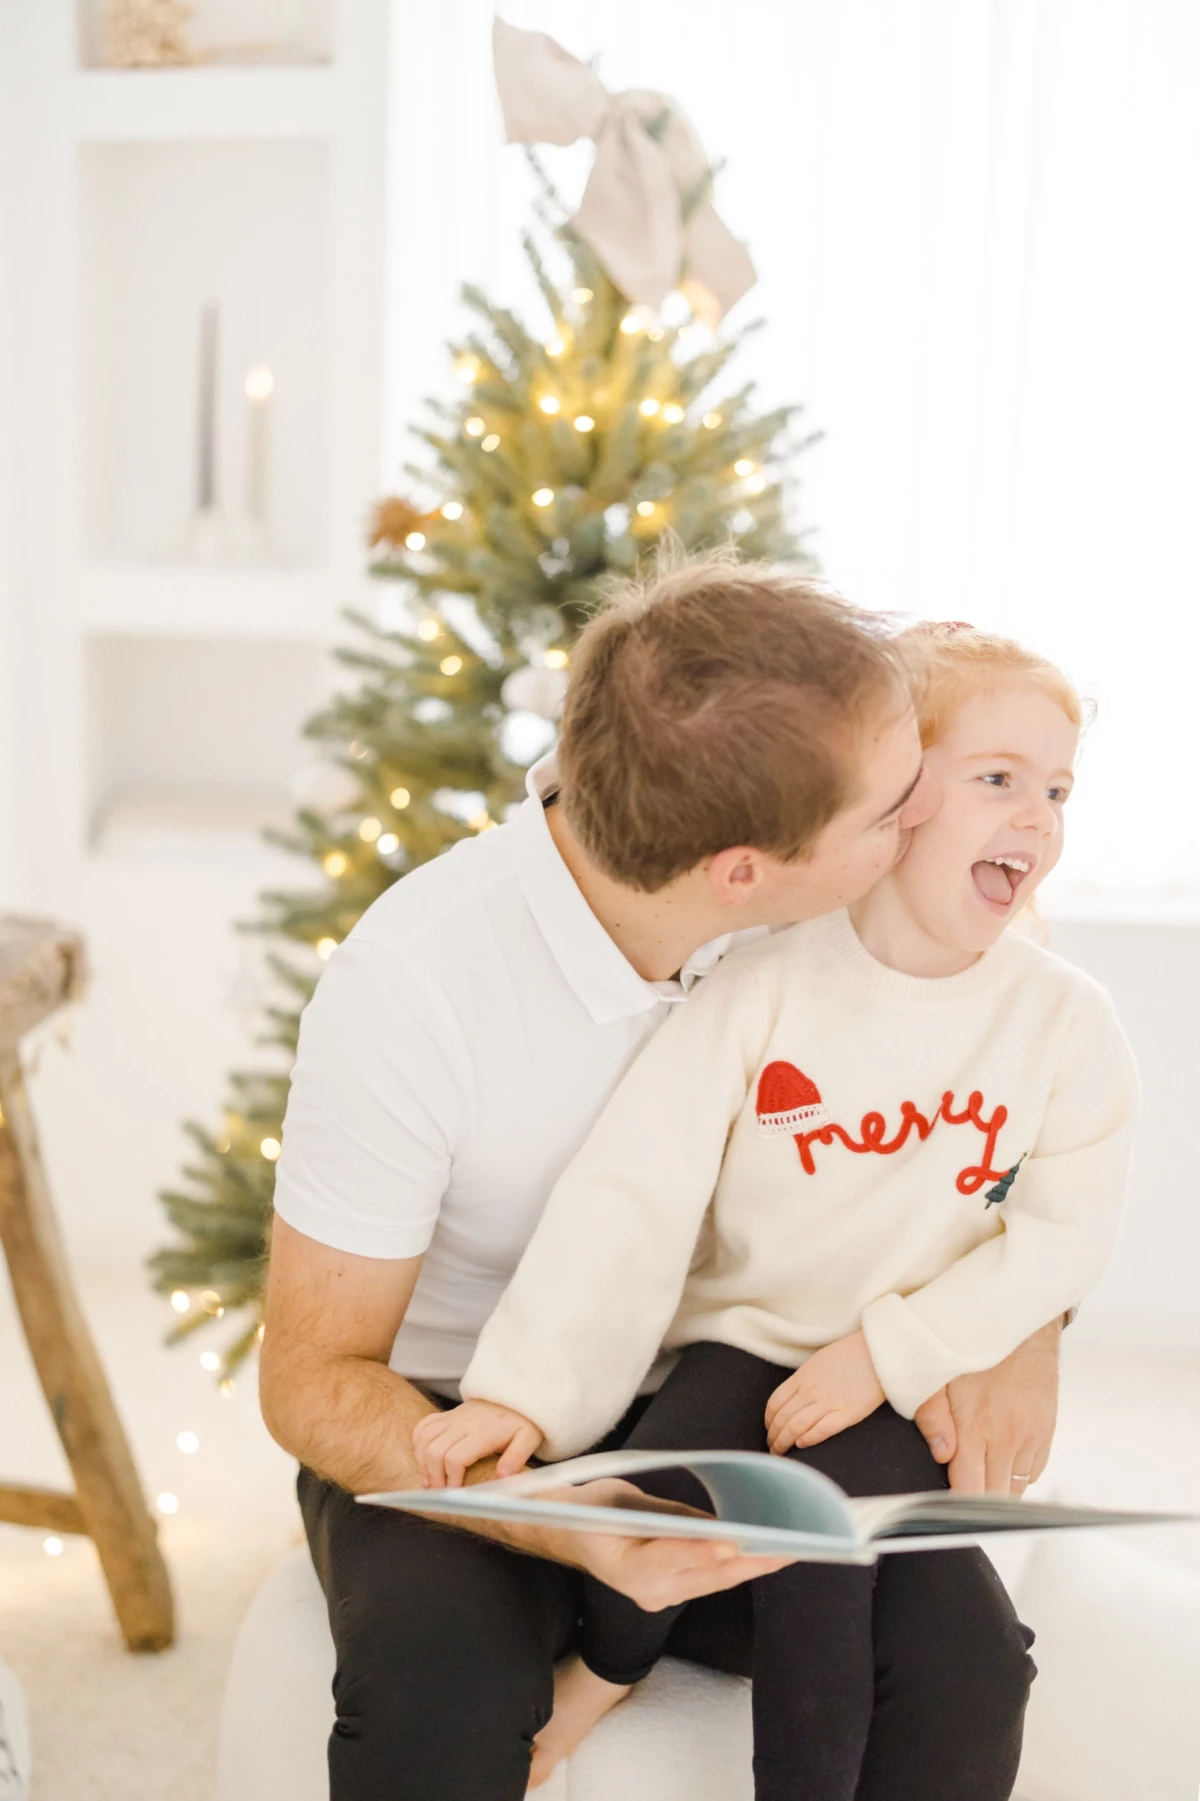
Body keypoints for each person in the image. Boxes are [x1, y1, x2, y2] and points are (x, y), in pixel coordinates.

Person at [260, 555, 1063, 1801]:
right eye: (892, 806)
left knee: (963, 1670)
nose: (920, 816)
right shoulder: (412, 988)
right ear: (745, 875)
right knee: (438, 1700)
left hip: (749, 1391)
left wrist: (1022, 1323)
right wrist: (546, 1511)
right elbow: (309, 1377)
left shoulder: (814, 852)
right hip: (467, 1418)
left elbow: (1010, 1049)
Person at [415, 623, 1139, 1800]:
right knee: (648, 1494)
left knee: (818, 1563)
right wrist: (522, 1396)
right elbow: (630, 1197)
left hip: (900, 1377)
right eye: (998, 779)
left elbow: (1062, 1236)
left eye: (1057, 788)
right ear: (901, 800)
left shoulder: (1066, 1021)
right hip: (743, 1340)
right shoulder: (767, 981)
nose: (1037, 815)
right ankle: (610, 1661)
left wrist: (887, 1352)